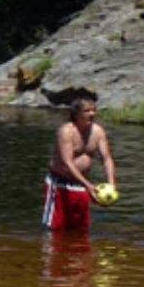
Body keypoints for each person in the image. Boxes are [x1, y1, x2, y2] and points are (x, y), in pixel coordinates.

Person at [46, 97, 116, 232]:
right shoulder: (66, 131)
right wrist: (89, 186)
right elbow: (67, 163)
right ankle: (51, 253)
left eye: (94, 110)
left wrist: (111, 184)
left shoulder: (98, 131)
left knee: (81, 229)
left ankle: (77, 253)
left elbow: (107, 159)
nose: (92, 114)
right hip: (60, 184)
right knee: (55, 229)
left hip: (81, 185)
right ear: (76, 113)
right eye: (87, 110)